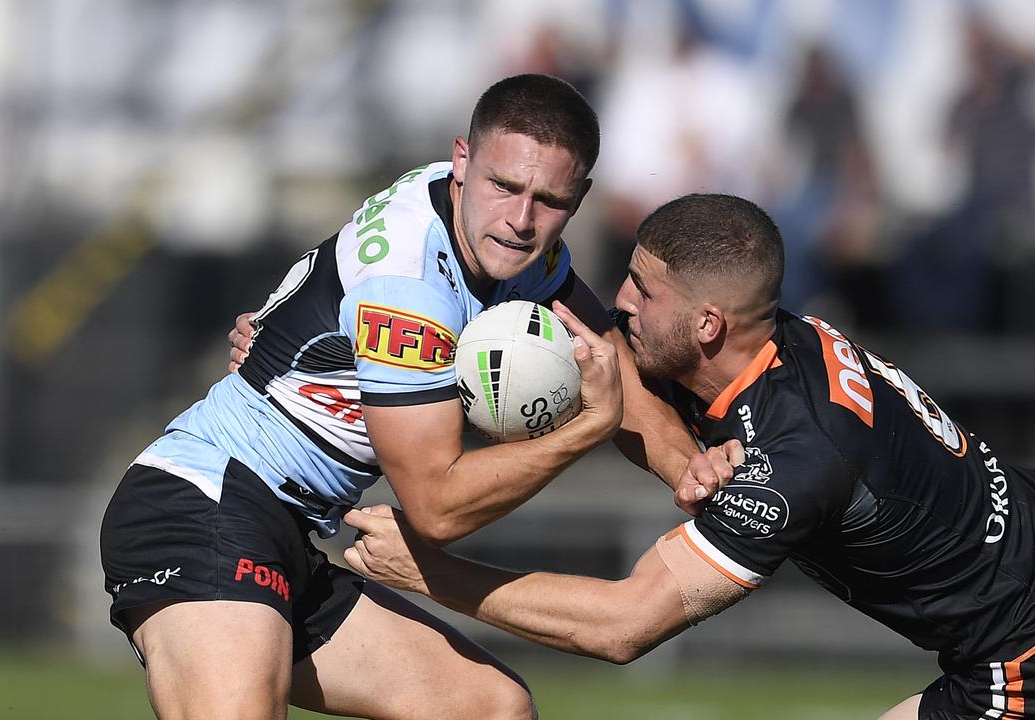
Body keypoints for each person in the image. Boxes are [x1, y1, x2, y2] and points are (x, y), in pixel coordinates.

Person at [339, 193, 1035, 719]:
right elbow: (627, 366)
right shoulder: (788, 342)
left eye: (640, 290)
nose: (616, 302)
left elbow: (623, 627)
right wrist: (300, 339)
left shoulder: (793, 463)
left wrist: (431, 571)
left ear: (705, 324)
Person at [100, 74, 718, 720]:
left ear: (579, 197)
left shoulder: (497, 232)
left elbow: (604, 355)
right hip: (204, 503)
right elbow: (437, 508)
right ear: (461, 159)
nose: (520, 219)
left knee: (492, 710)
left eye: (549, 199)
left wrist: (693, 473)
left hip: (286, 528)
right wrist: (586, 430)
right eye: (504, 186)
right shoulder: (409, 284)